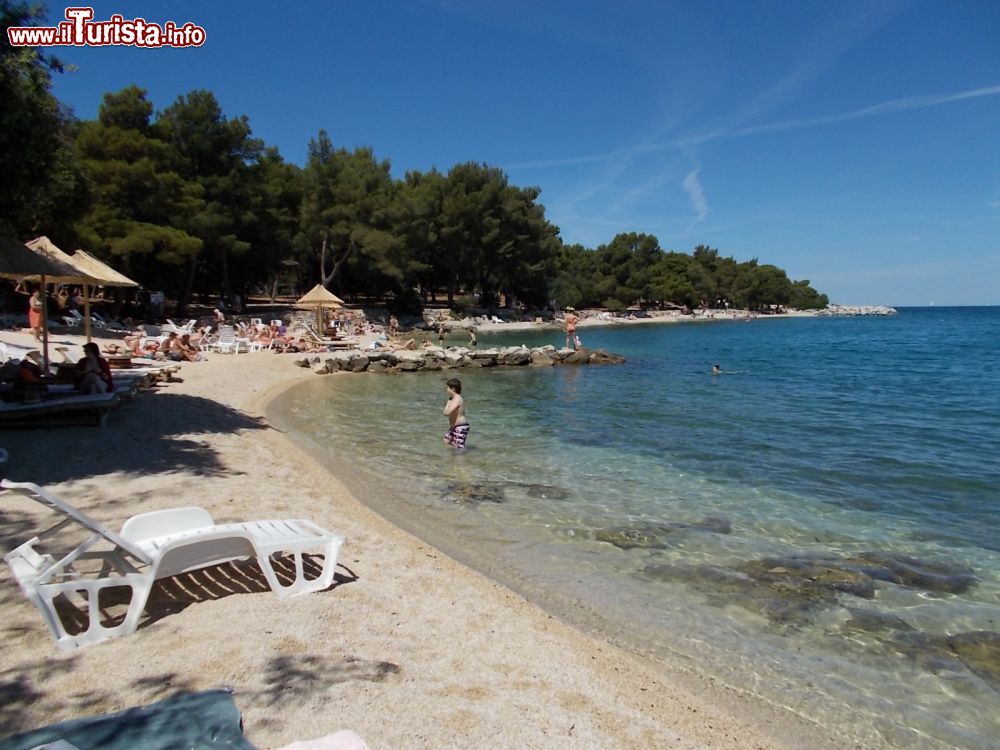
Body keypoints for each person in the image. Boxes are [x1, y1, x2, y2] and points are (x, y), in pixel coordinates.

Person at [442, 378, 470, 450]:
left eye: (448, 387)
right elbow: (445, 412)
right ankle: (454, 458)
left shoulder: (457, 399)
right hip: (454, 427)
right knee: (446, 441)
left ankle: (461, 458)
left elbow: (446, 413)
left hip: (460, 427)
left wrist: (448, 403)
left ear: (453, 389)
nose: (446, 389)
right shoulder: (452, 399)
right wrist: (449, 401)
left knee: (459, 449)